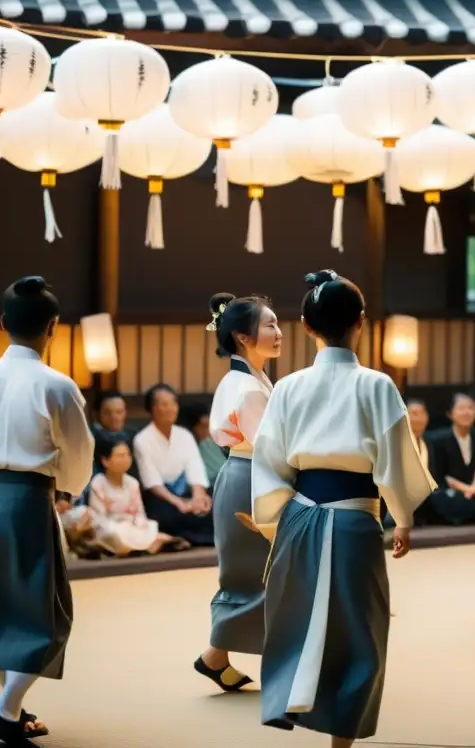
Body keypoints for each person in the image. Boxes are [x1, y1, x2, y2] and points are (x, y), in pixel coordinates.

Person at [251, 270, 435, 745]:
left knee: (294, 617)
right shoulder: (377, 385)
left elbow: (269, 460)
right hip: (356, 519)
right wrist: (404, 518)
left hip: (298, 515)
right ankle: (342, 739)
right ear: (361, 323)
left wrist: (277, 518)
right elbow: (395, 462)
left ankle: (291, 701)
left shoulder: (288, 387)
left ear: (307, 328)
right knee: (361, 630)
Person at [0, 276, 94, 742]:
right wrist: (68, 490)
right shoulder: (56, 385)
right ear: (53, 326)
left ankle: (12, 710)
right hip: (25, 501)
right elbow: (77, 454)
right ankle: (6, 708)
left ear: (2, 323)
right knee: (46, 612)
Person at [195, 293, 282, 692]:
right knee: (260, 573)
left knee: (260, 573)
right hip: (252, 477)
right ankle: (281, 663)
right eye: (270, 325)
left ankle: (216, 656)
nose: (279, 332)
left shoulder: (249, 379)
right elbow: (271, 446)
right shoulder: (246, 386)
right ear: (244, 338)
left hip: (246, 475)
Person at [133, 384, 214, 545]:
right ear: (153, 409)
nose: (171, 409)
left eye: (173, 403)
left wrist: (198, 496)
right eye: (164, 404)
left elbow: (195, 469)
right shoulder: (142, 439)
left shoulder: (184, 435)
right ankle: (184, 537)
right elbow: (152, 482)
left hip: (187, 493)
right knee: (164, 518)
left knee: (214, 506)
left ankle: (188, 538)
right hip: (162, 497)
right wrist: (177, 502)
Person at [85, 432, 183, 556]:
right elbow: (99, 519)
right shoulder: (98, 483)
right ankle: (151, 544)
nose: (125, 459)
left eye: (128, 455)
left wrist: (137, 525)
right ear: (105, 460)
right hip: (111, 529)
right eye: (120, 456)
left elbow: (140, 513)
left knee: (150, 525)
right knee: (115, 533)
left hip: (132, 527)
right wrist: (123, 527)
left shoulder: (133, 483)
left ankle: (140, 546)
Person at [427, 393, 475, 525]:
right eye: (461, 408)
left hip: (474, 492)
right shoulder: (439, 440)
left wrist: (473, 488)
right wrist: (467, 490)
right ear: (450, 413)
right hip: (450, 491)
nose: (466, 412)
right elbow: (441, 475)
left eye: (471, 408)